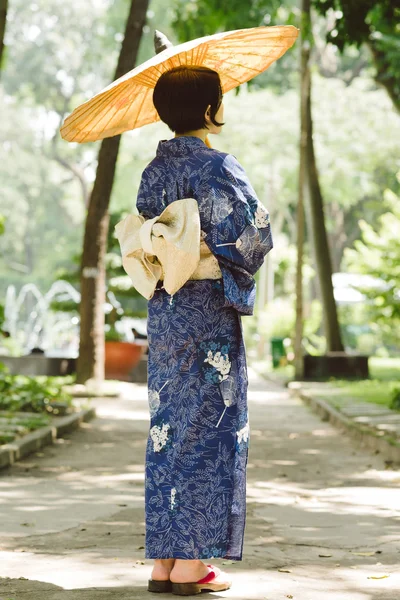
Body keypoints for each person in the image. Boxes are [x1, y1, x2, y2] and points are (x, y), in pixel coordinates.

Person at [135, 65, 273, 595]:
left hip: (167, 307)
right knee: (208, 427)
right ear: (211, 110)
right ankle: (192, 567)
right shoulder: (219, 167)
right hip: (208, 311)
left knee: (168, 425)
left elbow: (152, 235)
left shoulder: (153, 172)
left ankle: (165, 562)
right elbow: (252, 235)